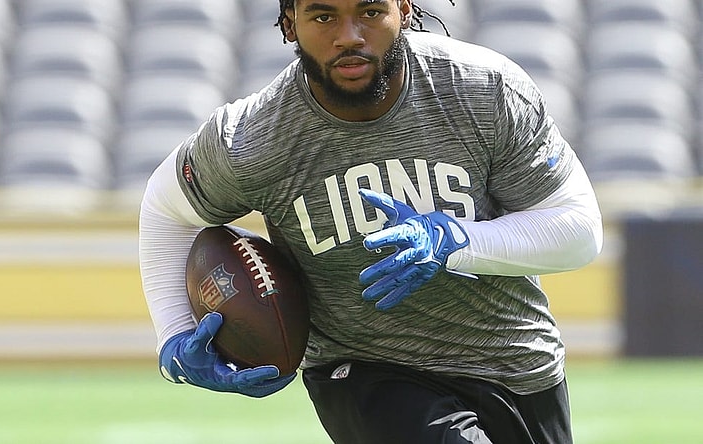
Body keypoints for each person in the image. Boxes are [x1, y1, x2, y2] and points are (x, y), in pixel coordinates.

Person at [138, 0, 603, 442]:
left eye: (371, 11)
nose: (349, 36)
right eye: (323, 16)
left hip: (515, 362)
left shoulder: (482, 89)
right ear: (289, 24)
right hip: (364, 370)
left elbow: (579, 229)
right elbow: (165, 209)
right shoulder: (251, 138)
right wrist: (174, 333)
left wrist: (454, 240)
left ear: (404, 10)